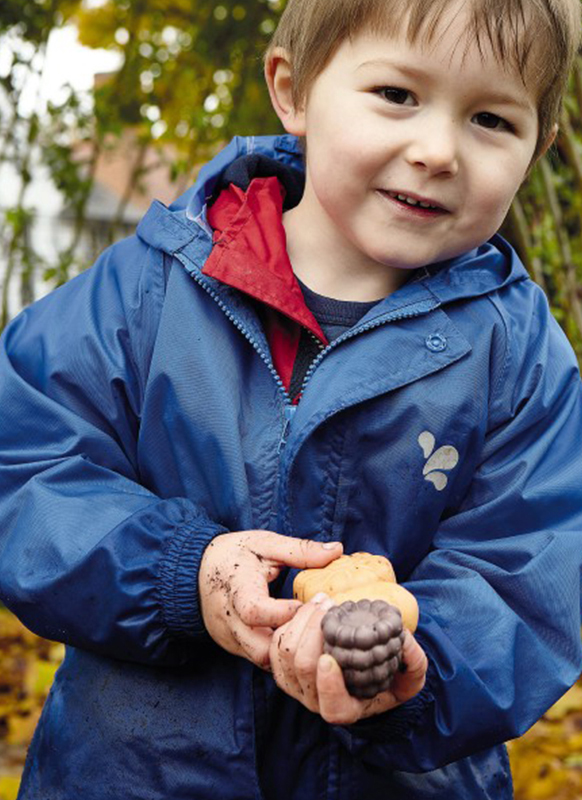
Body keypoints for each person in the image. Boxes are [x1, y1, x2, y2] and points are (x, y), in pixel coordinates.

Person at [0, 0, 581, 797]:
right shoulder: (149, 291)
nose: (438, 150)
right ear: (294, 88)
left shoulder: (517, 357)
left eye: (490, 119)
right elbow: (25, 465)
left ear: (537, 149)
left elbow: (536, 564)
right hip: (132, 773)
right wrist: (182, 572)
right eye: (397, 96)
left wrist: (412, 662)